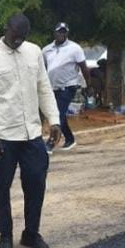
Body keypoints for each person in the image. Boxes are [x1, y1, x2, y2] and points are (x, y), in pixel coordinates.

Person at [0, 14, 61, 248]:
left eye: (22, 37)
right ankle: (5, 234)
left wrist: (54, 121)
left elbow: (44, 87)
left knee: (36, 182)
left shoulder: (33, 52)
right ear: (6, 30)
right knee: (2, 186)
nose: (18, 41)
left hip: (31, 134)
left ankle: (31, 233)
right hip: (3, 136)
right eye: (15, 36)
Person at [42, 22, 89, 152]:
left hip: (68, 86)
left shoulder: (75, 48)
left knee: (58, 114)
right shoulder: (46, 50)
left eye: (64, 32)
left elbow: (84, 68)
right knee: (59, 114)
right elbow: (43, 68)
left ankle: (51, 142)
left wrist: (88, 84)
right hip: (53, 87)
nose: (62, 34)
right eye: (59, 31)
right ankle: (70, 139)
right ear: (55, 33)